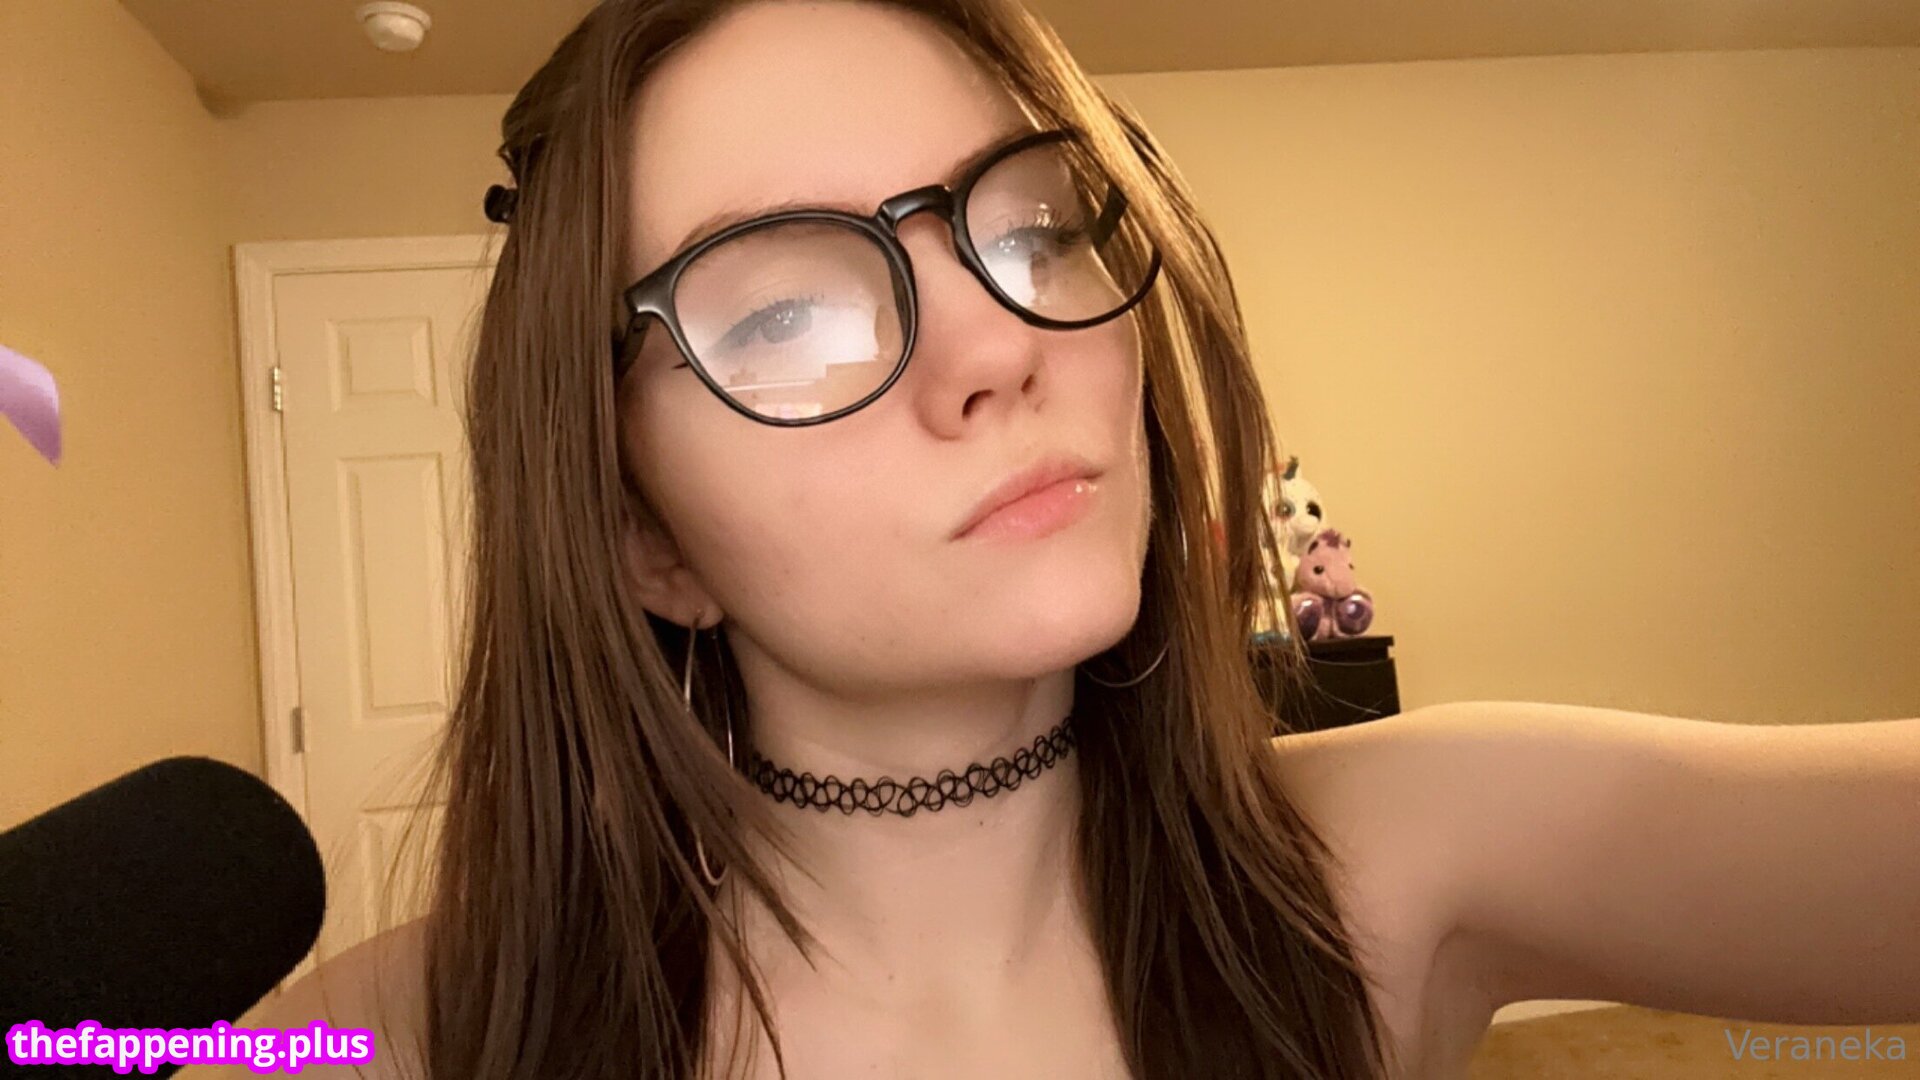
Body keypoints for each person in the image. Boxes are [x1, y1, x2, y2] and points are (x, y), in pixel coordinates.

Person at [185, 0, 1920, 1077]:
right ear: (644, 538)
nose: (1000, 344)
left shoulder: (1403, 860)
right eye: (784, 313)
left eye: (1026, 225)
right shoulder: (411, 1039)